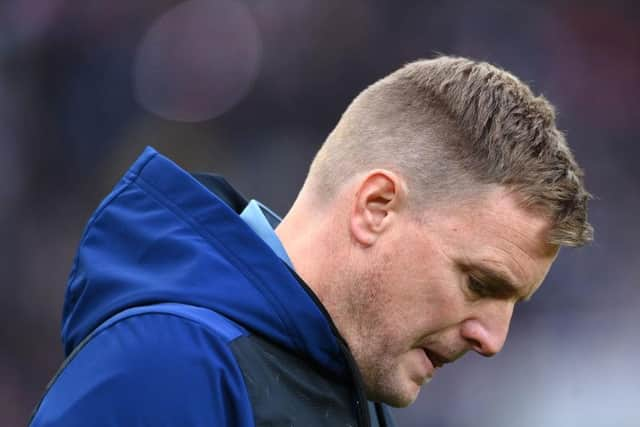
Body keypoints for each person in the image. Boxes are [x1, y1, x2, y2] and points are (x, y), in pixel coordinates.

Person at [30, 56, 592, 426]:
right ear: (375, 208)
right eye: (478, 282)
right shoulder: (172, 366)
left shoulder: (355, 390)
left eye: (514, 303)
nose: (493, 339)